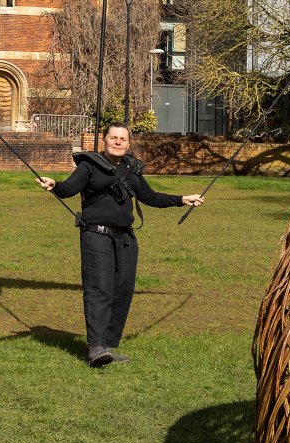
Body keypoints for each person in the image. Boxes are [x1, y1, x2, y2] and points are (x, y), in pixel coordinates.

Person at [38, 123, 203, 367]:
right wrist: (55, 185)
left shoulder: (132, 169)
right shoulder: (89, 166)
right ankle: (95, 348)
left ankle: (109, 346)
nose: (117, 142)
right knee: (99, 290)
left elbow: (151, 197)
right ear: (104, 141)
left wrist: (182, 199)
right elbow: (69, 188)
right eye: (113, 138)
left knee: (123, 291)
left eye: (122, 139)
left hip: (125, 239)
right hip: (96, 237)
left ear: (128, 144)